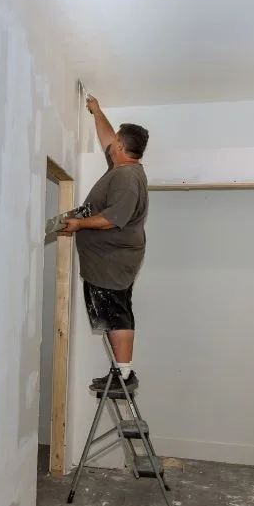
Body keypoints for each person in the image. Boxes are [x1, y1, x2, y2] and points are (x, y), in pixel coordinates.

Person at [58, 94, 149, 389]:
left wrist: (79, 223)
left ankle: (124, 376)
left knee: (115, 312)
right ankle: (121, 372)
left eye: (116, 143)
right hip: (108, 262)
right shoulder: (124, 167)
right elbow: (109, 138)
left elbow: (114, 218)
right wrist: (96, 111)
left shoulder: (126, 178)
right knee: (111, 311)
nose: (112, 146)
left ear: (123, 147)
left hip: (112, 262)